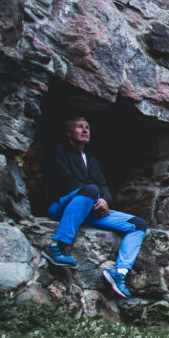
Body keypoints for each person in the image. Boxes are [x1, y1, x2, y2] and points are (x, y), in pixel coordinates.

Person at [42, 116, 147, 299]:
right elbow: (64, 181)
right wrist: (93, 197)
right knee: (91, 190)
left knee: (138, 224)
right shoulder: (58, 151)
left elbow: (103, 186)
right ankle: (57, 246)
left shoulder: (92, 160)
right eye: (79, 127)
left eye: (87, 127)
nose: (85, 130)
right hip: (63, 206)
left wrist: (104, 201)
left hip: (90, 208)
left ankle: (119, 273)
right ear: (69, 132)